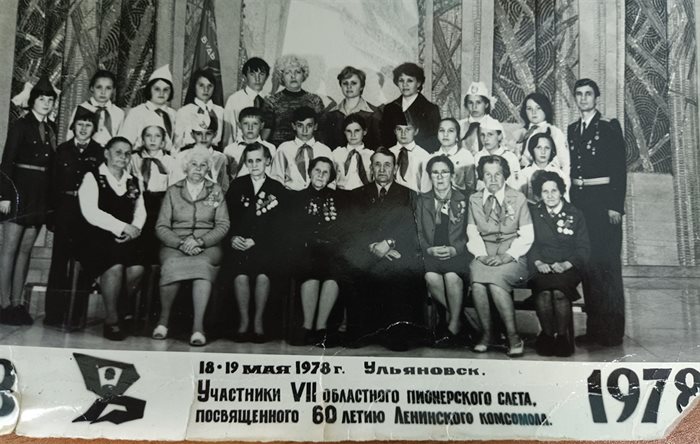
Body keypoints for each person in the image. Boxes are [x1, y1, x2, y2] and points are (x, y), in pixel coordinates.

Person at [343, 147, 424, 351]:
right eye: (377, 164)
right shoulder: (358, 194)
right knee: (354, 268)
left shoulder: (408, 194)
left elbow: (411, 229)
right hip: (367, 250)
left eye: (387, 165)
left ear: (395, 168)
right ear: (371, 168)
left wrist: (388, 243)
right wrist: (372, 246)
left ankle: (395, 334)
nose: (382, 169)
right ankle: (361, 332)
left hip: (397, 248)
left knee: (400, 271)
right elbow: (353, 228)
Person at [567, 78, 627, 347]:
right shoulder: (572, 129)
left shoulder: (608, 127)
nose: (583, 98)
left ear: (596, 97)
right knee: (589, 266)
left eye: (588, 94)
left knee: (607, 266)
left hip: (603, 205)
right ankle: (594, 329)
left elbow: (619, 169)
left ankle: (612, 332)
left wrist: (616, 205)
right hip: (580, 204)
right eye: (579, 94)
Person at [152, 146, 230, 346]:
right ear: (186, 167)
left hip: (207, 246)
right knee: (171, 264)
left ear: (208, 169)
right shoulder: (173, 191)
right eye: (194, 164)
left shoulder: (215, 191)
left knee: (202, 266)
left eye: (203, 165)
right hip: (175, 244)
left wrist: (201, 241)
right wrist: (180, 243)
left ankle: (198, 327)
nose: (198, 169)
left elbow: (223, 224)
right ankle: (163, 322)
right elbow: (161, 226)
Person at [0, 76, 57, 325]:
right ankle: (3, 304)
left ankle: (17, 303)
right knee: (9, 249)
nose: (46, 103)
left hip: (39, 197)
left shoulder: (51, 129)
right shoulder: (21, 125)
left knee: (25, 250)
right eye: (42, 99)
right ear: (32, 101)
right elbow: (6, 162)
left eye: (50, 100)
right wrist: (4, 196)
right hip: (18, 194)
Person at [77, 137, 146, 340]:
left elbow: (140, 211)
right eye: (118, 152)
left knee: (137, 268)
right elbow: (91, 212)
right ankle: (112, 320)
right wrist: (121, 227)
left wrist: (134, 230)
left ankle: (117, 307)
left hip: (126, 236)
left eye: (127, 153)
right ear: (106, 153)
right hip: (95, 237)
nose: (123, 157)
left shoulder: (133, 180)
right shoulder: (92, 177)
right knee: (114, 265)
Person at [466, 155, 533, 357]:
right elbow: (472, 232)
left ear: (505, 175)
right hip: (485, 254)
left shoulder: (518, 198)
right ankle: (487, 334)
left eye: (497, 174)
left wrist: (507, 256)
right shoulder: (474, 199)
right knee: (477, 281)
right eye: (488, 175)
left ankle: (513, 336)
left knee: (496, 282)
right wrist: (481, 255)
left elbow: (527, 235)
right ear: (481, 176)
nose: (493, 179)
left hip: (514, 255)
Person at [44, 106, 103, 327]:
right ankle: (53, 314)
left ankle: (76, 313)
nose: (84, 129)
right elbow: (52, 184)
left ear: (94, 129)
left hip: (87, 213)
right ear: (73, 126)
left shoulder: (100, 152)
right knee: (59, 262)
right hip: (64, 210)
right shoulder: (62, 150)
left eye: (88, 125)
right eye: (80, 124)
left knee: (83, 263)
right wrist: (52, 214)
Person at [225, 142, 288, 342]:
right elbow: (226, 218)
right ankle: (244, 322)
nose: (254, 165)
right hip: (239, 244)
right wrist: (233, 237)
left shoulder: (276, 188)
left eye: (258, 160)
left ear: (267, 161)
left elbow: (280, 226)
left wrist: (257, 240)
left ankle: (258, 322)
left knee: (262, 276)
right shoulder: (237, 186)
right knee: (241, 275)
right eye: (250, 161)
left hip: (266, 245)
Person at [529, 171, 590, 357]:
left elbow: (584, 248)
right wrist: (538, 262)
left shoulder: (575, 214)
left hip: (567, 267)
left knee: (558, 293)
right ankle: (548, 336)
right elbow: (530, 243)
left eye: (554, 191)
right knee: (544, 292)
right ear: (539, 194)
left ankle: (562, 337)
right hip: (542, 265)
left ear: (562, 191)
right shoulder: (534, 213)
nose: (550, 196)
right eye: (545, 191)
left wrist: (566, 264)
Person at [415, 155, 470, 347]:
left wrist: (455, 249)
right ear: (430, 176)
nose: (440, 177)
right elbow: (418, 232)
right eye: (435, 172)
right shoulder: (422, 200)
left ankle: (452, 326)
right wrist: (429, 249)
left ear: (452, 175)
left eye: (444, 172)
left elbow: (470, 233)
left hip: (457, 254)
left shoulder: (463, 199)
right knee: (431, 277)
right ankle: (460, 319)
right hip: (431, 253)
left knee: (452, 277)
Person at [293, 157, 341, 347]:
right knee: (310, 268)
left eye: (325, 172)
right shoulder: (297, 198)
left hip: (331, 248)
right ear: (310, 172)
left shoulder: (338, 198)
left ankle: (321, 328)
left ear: (330, 177)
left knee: (333, 273)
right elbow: (293, 230)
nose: (320, 175)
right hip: (306, 249)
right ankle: (307, 327)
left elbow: (343, 227)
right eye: (317, 171)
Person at [129, 119, 177, 265]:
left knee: (156, 240)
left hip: (160, 203)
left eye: (157, 136)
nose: (152, 140)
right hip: (138, 202)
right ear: (142, 139)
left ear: (163, 142)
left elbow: (173, 187)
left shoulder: (170, 161)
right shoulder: (134, 159)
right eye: (148, 136)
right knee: (139, 241)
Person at [264, 55, 325, 146]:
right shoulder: (272, 101)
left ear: (303, 75)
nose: (293, 76)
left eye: (297, 72)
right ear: (281, 76)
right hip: (279, 150)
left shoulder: (315, 100)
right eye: (288, 72)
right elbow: (265, 137)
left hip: (307, 149)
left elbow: (321, 133)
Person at [380, 62, 440, 153]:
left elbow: (434, 141)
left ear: (418, 83)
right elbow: (385, 138)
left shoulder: (430, 109)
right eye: (401, 80)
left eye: (410, 81)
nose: (405, 85)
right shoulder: (389, 108)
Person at [270, 106, 332, 191]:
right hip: (291, 195)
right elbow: (276, 178)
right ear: (294, 126)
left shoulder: (325, 150)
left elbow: (331, 180)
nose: (304, 130)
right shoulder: (284, 149)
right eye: (300, 125)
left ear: (315, 126)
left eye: (309, 126)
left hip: (318, 194)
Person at [119, 65, 177, 153]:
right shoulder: (137, 112)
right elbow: (126, 142)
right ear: (149, 90)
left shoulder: (173, 114)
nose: (161, 93)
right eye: (157, 89)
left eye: (166, 90)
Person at [320, 66, 380, 150]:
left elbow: (379, 145)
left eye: (354, 83)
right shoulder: (330, 115)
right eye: (345, 83)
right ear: (340, 86)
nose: (349, 86)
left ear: (362, 86)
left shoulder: (374, 114)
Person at [170, 113, 229, 192]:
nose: (204, 138)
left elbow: (224, 186)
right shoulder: (182, 156)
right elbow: (174, 184)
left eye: (208, 133)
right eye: (199, 134)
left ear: (215, 134)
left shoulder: (220, 158)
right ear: (192, 135)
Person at [65, 70, 125, 147]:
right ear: (92, 88)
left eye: (108, 88)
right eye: (99, 87)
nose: (103, 92)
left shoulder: (119, 113)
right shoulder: (82, 108)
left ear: (113, 90)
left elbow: (120, 140)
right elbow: (70, 136)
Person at [514, 92, 569, 175]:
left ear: (545, 109)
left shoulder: (554, 132)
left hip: (547, 176)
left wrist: (564, 181)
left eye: (538, 108)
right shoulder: (522, 132)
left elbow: (565, 162)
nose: (534, 112)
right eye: (529, 108)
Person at [174, 68, 224, 151]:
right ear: (194, 86)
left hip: (213, 154)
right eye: (201, 85)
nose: (206, 90)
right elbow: (177, 143)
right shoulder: (184, 111)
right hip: (189, 153)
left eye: (210, 86)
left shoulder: (220, 111)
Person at [223, 57, 271, 144]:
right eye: (252, 74)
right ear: (245, 76)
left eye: (261, 74)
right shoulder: (234, 99)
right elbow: (228, 132)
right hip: (240, 147)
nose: (257, 78)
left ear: (267, 77)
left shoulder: (271, 100)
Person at [222, 107, 276, 181]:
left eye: (255, 124)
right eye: (246, 123)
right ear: (239, 125)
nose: (250, 128)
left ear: (262, 125)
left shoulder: (270, 148)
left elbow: (273, 174)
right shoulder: (230, 149)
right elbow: (226, 176)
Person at [519, 133, 570, 202]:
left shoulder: (560, 174)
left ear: (552, 150)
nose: (543, 152)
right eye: (539, 147)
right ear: (532, 149)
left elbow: (565, 201)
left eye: (547, 148)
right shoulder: (523, 174)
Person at [387, 114, 431, 193]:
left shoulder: (424, 156)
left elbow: (426, 189)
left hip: (414, 198)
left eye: (408, 129)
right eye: (399, 129)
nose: (403, 133)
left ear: (416, 131)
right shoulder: (387, 153)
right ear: (395, 131)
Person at [474, 115, 520, 190]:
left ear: (499, 136)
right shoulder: (477, 156)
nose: (485, 139)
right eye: (482, 135)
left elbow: (516, 184)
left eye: (490, 134)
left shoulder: (510, 157)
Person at [432, 118, 476, 194]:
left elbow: (471, 186)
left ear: (457, 136)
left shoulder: (466, 156)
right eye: (442, 130)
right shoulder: (432, 156)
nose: (445, 134)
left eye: (451, 131)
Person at [331, 113, 374, 191]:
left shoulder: (372, 155)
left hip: (364, 195)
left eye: (357, 131)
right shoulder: (336, 154)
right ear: (344, 132)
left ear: (364, 131)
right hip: (342, 195)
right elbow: (331, 180)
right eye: (349, 131)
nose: (353, 135)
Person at [457, 81, 497, 155]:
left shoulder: (494, 125)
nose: (474, 107)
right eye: (470, 103)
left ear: (486, 104)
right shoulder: (459, 125)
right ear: (466, 105)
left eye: (478, 102)